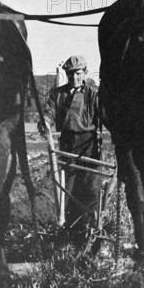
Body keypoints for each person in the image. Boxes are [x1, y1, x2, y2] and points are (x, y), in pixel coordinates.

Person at [38, 56, 102, 243]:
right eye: (71, 73)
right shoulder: (58, 94)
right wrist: (45, 124)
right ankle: (71, 231)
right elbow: (49, 114)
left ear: (84, 73)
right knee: (69, 189)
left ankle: (89, 229)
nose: (75, 76)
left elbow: (104, 115)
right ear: (67, 74)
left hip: (89, 144)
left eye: (78, 73)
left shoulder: (93, 94)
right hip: (67, 144)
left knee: (90, 188)